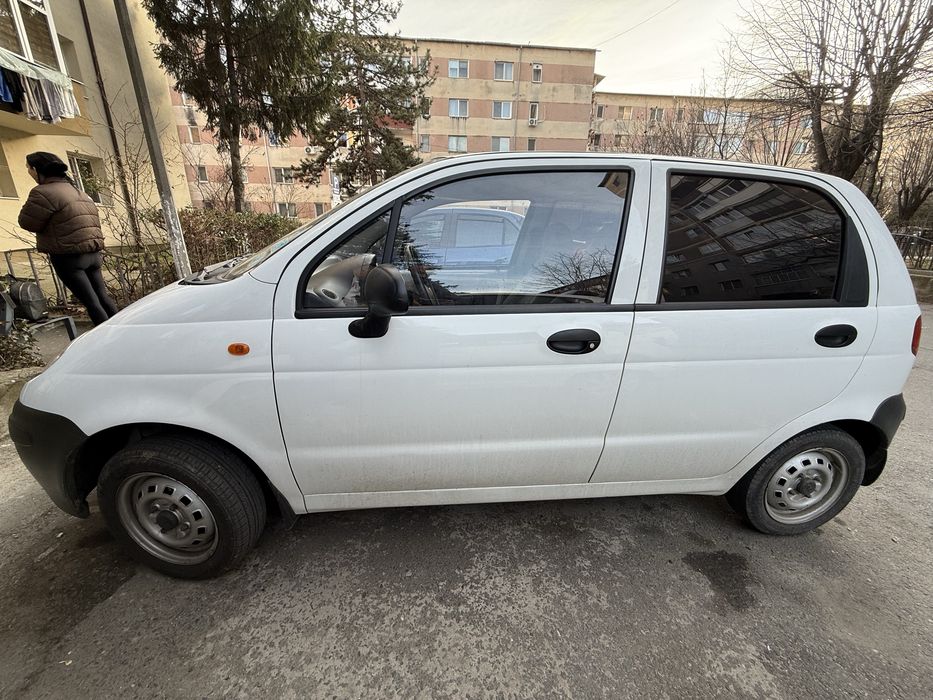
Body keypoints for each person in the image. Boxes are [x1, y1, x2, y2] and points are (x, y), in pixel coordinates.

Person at [17, 152, 118, 325]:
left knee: (91, 302)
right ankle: (123, 329)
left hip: (68, 256)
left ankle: (108, 340)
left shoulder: (42, 192)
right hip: (93, 254)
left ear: (35, 169)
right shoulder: (77, 191)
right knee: (102, 297)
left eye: (28, 168)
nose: (28, 172)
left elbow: (27, 223)